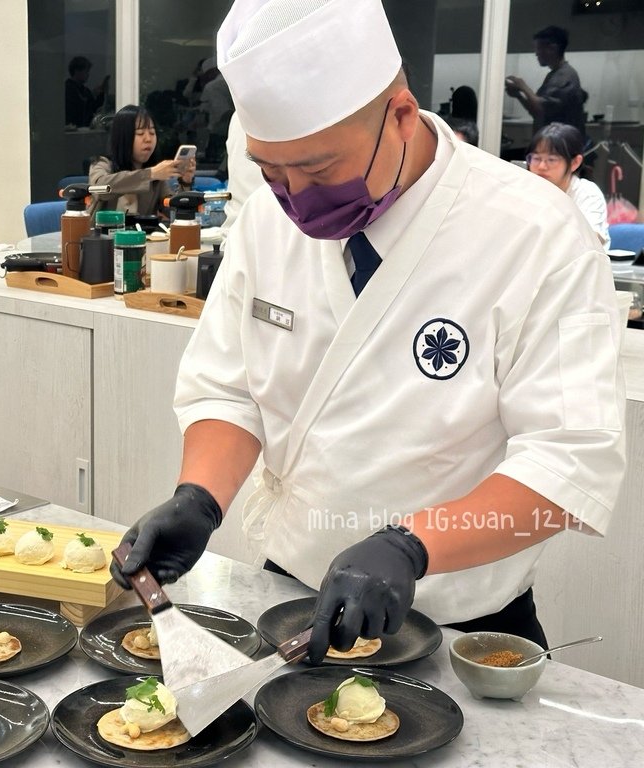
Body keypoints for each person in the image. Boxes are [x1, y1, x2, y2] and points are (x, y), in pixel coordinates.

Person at [111, 0, 624, 664]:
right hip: (287, 604)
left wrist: (413, 545)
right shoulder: (267, 222)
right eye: (272, 170)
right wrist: (199, 497)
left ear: (401, 116)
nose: (293, 196)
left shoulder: (536, 232)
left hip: (462, 628)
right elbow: (228, 388)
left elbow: (569, 461)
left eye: (318, 171)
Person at [87, 105, 195, 219]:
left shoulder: (156, 177)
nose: (148, 139)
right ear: (123, 137)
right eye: (140, 133)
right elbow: (99, 188)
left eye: (152, 133)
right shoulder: (102, 164)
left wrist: (185, 182)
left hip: (141, 236)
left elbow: (176, 213)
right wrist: (150, 174)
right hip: (102, 235)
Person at [528, 122, 610, 251]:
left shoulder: (587, 193)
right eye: (536, 158)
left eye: (552, 160)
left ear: (575, 162)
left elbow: (590, 240)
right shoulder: (525, 190)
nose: (541, 166)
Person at [505, 26, 586, 144]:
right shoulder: (555, 75)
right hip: (553, 143)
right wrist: (519, 95)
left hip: (561, 145)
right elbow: (537, 112)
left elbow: (540, 108)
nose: (536, 53)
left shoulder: (564, 76)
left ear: (553, 48)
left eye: (539, 48)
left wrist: (523, 86)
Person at [65, 56, 109, 128]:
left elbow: (93, 108)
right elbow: (77, 109)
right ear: (77, 71)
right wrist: (92, 95)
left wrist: (101, 93)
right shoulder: (68, 88)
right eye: (86, 71)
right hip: (72, 128)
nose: (88, 74)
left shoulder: (85, 90)